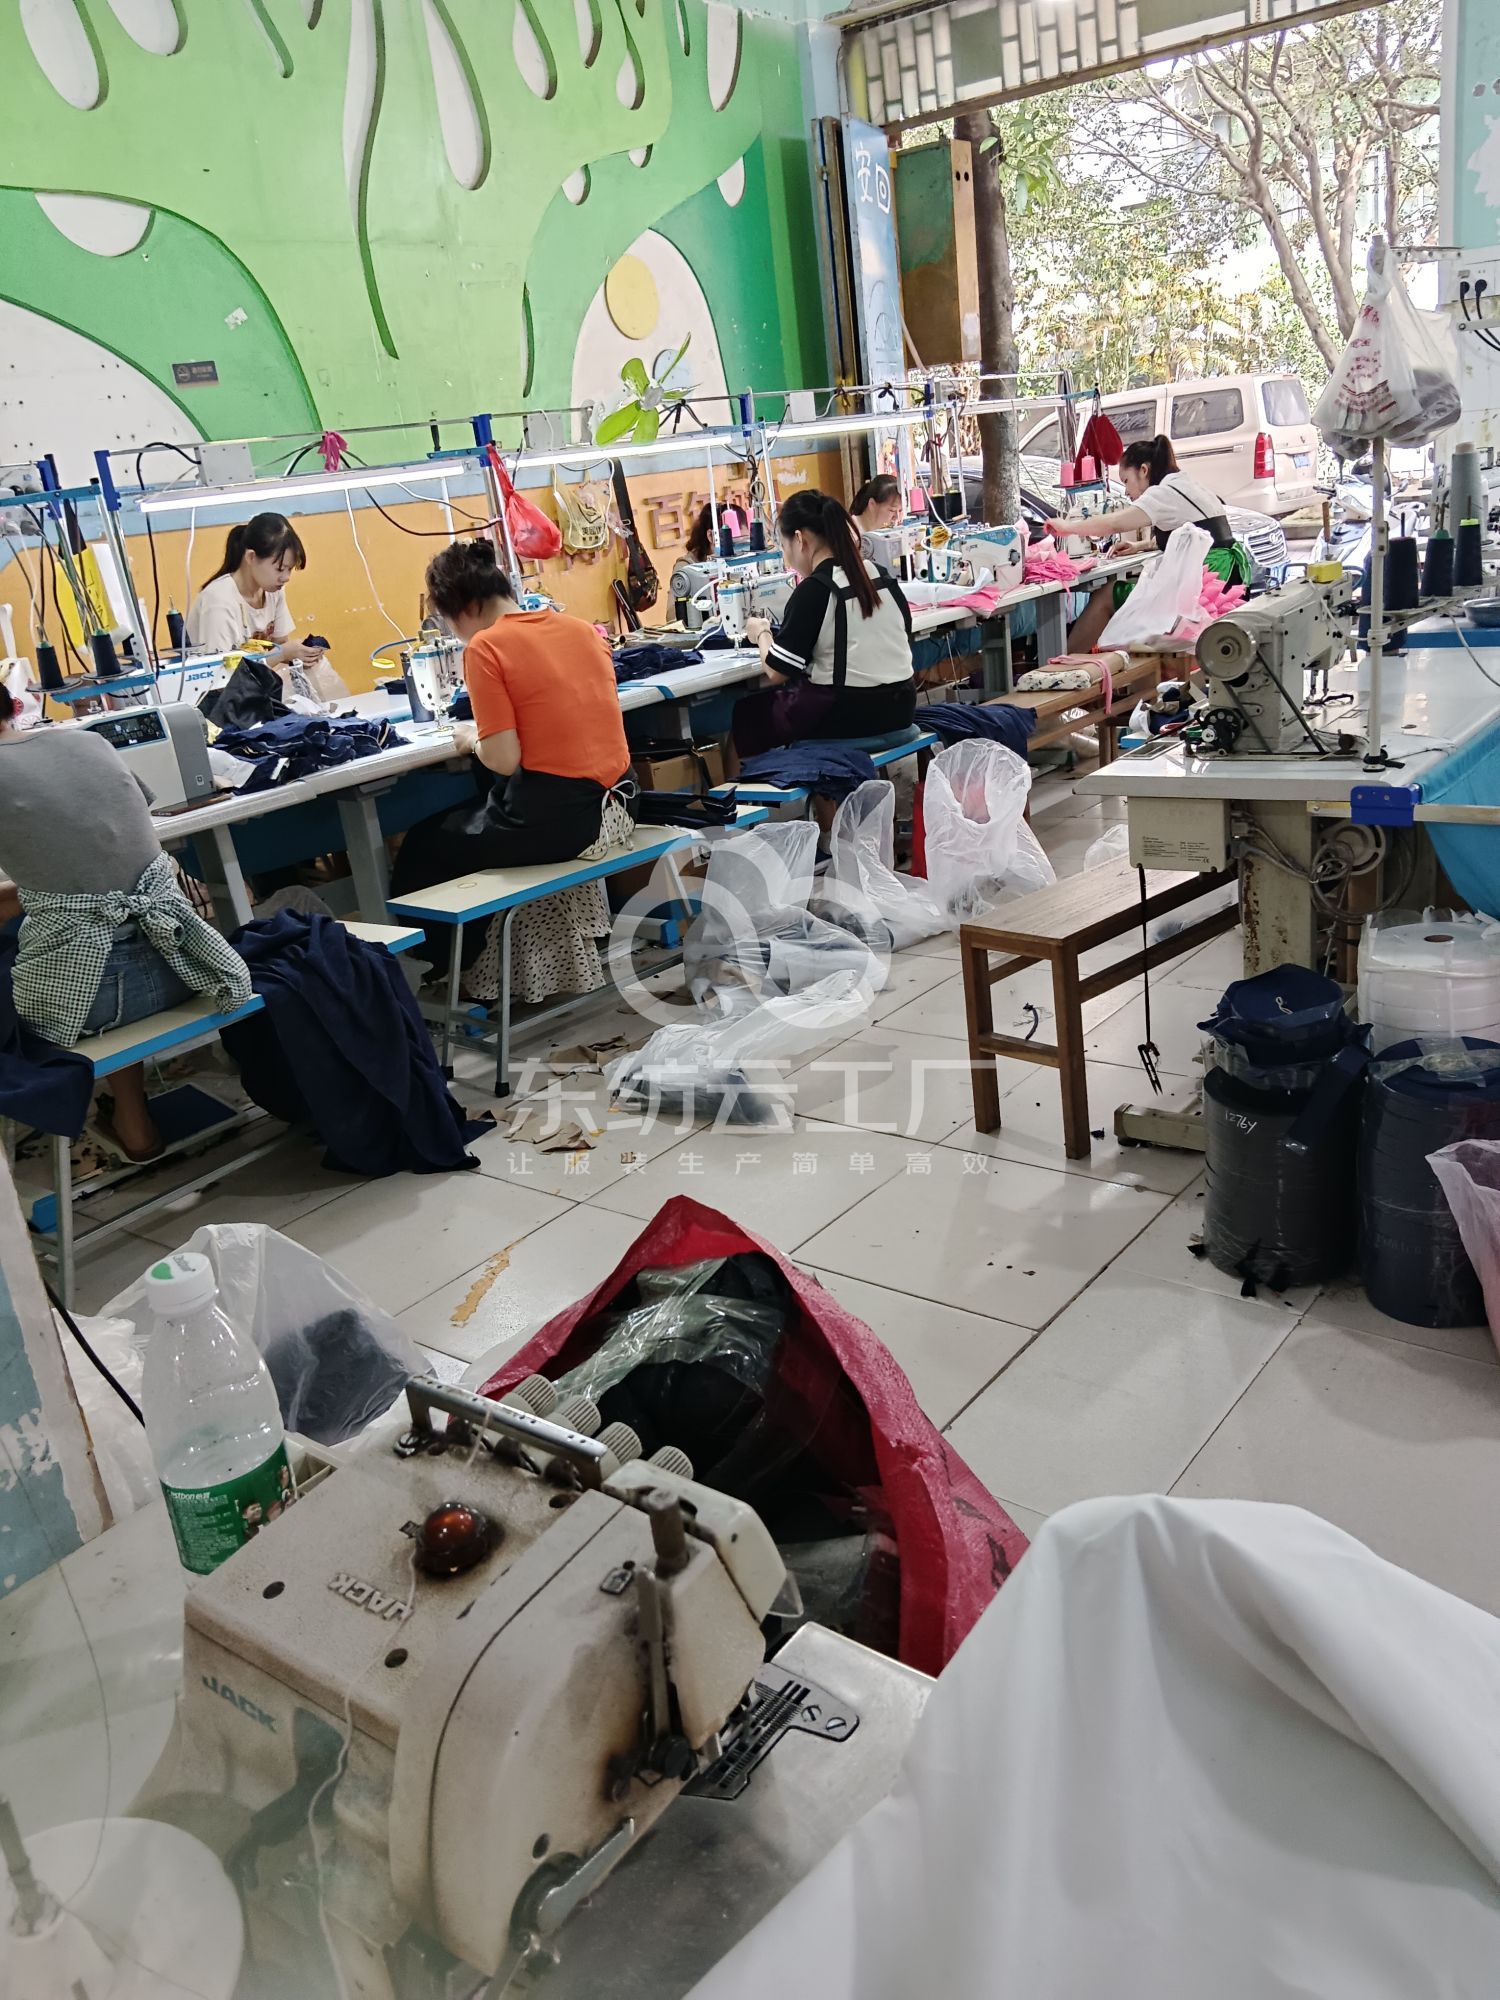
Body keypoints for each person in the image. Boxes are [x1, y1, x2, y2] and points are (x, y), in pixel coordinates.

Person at [0, 694, 253, 1159]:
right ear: (14, 707)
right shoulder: (90, 743)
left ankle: (73, 1134)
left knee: (42, 949)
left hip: (87, 1006)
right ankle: (131, 1116)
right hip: (188, 965)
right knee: (100, 927)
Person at [390, 539, 635, 982]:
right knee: (478, 815)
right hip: (623, 803)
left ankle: (445, 972)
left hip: (566, 823)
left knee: (423, 845)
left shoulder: (485, 648)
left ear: (466, 607)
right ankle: (501, 965)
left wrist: (472, 739)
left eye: (449, 621)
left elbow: (503, 760)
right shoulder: (581, 629)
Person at [734, 489, 916, 758]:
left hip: (849, 716)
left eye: (784, 547)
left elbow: (776, 671)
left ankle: (757, 784)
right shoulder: (879, 575)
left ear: (799, 539)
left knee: (746, 714)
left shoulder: (815, 589)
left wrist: (760, 632)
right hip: (902, 707)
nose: (787, 558)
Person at [1046, 436, 1254, 652]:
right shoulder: (1183, 483)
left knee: (1107, 595)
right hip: (1226, 571)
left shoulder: (1163, 493)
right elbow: (1192, 532)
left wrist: (1068, 527)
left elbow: (1114, 523)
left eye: (1126, 481)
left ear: (1144, 470)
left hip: (1208, 577)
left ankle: (1063, 663)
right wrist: (1141, 545)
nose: (1126, 491)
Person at [187, 513, 348, 703]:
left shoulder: (272, 591)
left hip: (252, 693)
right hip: (218, 702)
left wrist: (301, 654)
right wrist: (282, 653)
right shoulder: (218, 601)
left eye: (289, 569)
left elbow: (280, 644)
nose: (286, 577)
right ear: (251, 557)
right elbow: (221, 678)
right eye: (280, 569)